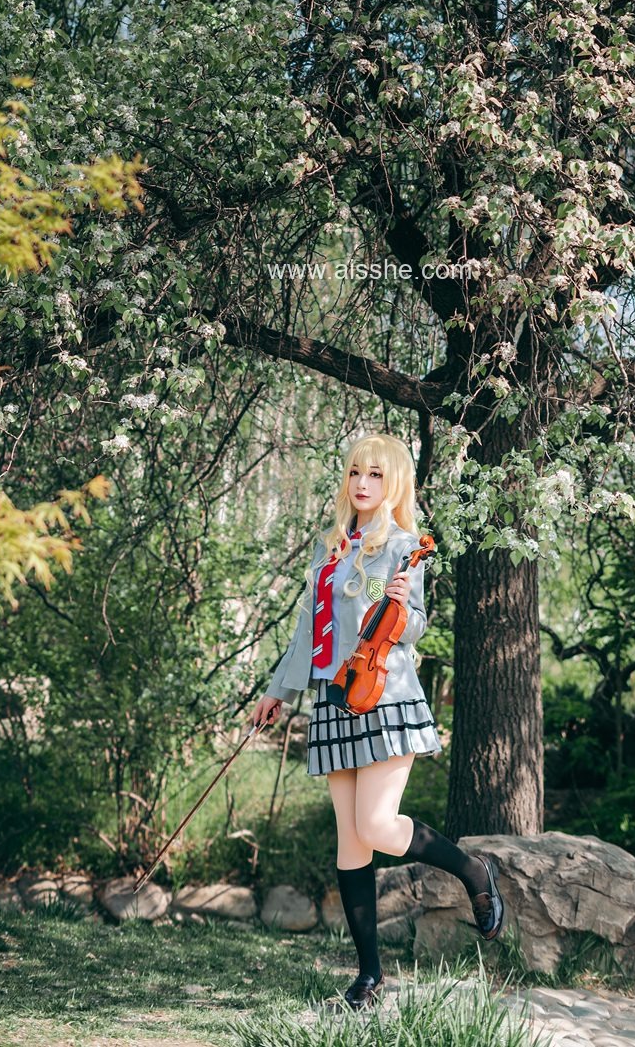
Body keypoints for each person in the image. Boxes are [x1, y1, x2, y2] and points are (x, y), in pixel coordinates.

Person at [252, 431, 505, 1010]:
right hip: (334, 699)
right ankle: (368, 977)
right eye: (355, 473)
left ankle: (474, 871)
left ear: (394, 485)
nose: (362, 484)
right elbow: (306, 633)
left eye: (375, 475)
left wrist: (398, 601)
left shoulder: (404, 546)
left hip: (386, 698)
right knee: (351, 842)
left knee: (376, 825)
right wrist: (277, 691)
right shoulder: (329, 550)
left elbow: (413, 625)